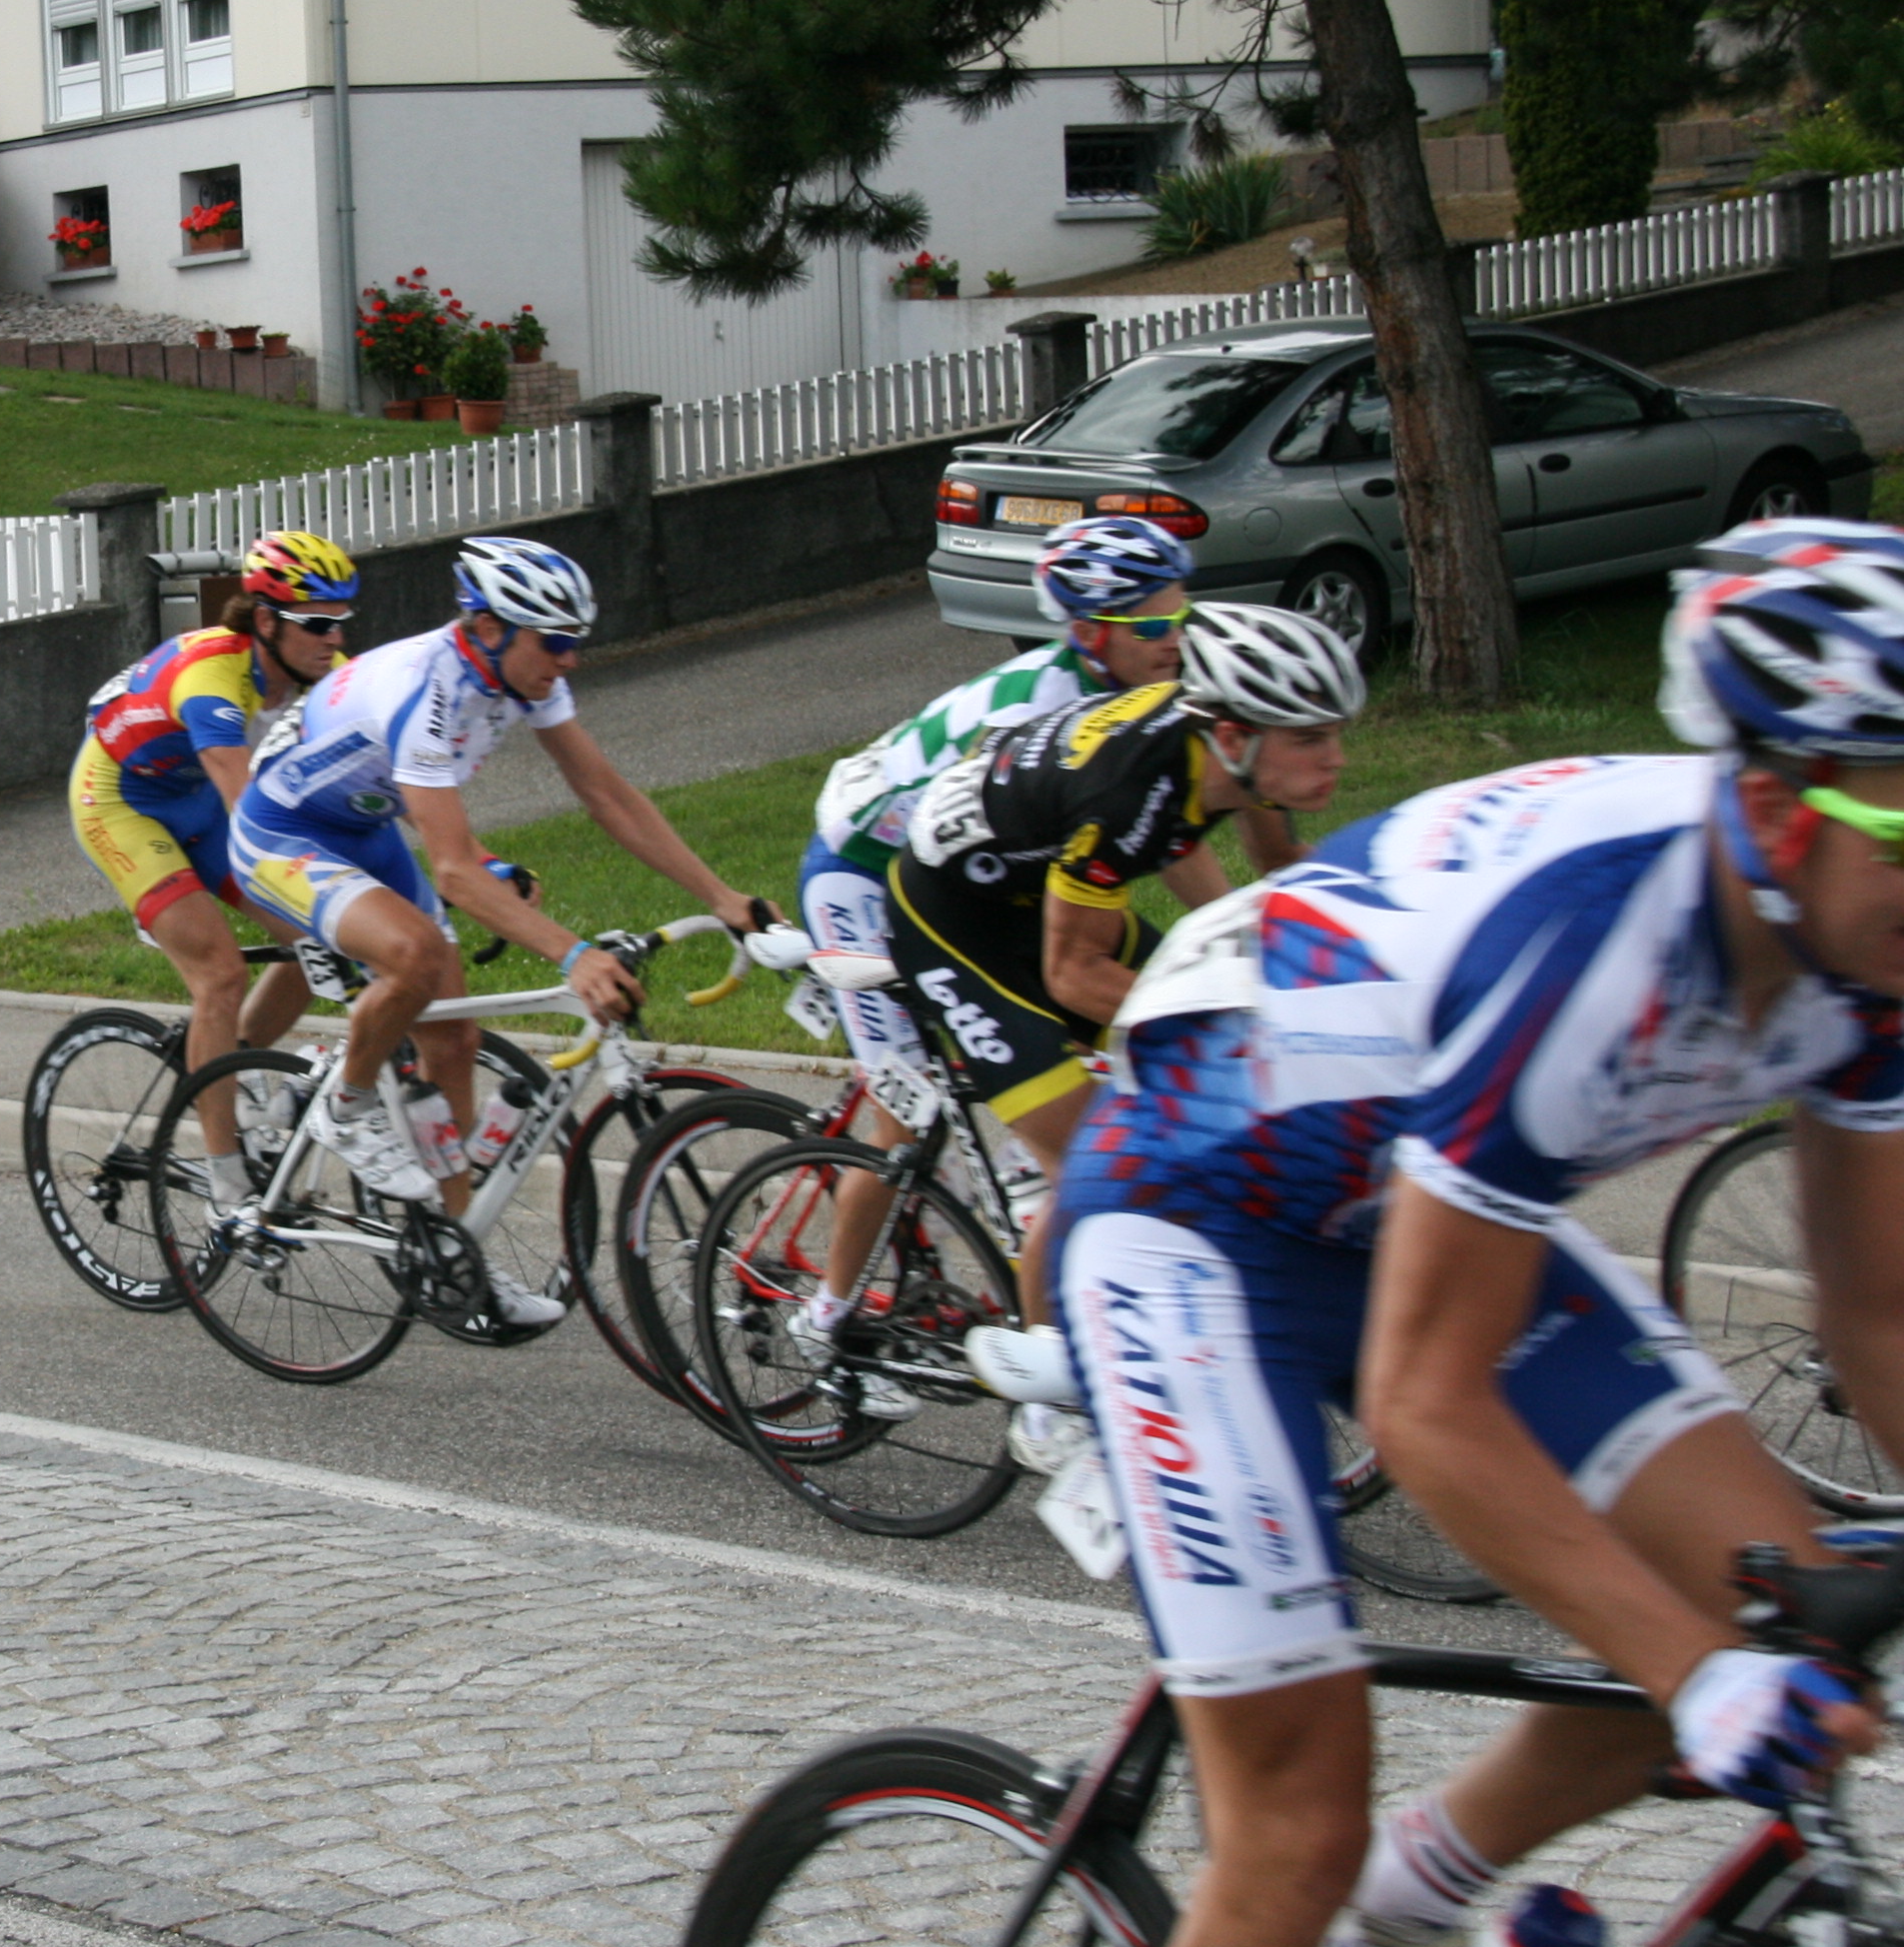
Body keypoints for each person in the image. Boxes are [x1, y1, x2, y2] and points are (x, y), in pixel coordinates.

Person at [1056, 527, 1904, 1947]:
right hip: (1185, 1220)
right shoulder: (1606, 938)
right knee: (1289, 1826)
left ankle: (1415, 1899)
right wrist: (1686, 1675)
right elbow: (1421, 1404)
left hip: (1400, 1203)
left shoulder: (1863, 953)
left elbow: (1872, 1315)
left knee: (1771, 1592)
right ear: (1785, 806)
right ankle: (1327, 1922)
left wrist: (1724, 1649)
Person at [231, 535, 780, 1316]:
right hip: (282, 832)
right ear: (489, 628)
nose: (570, 661)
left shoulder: (523, 676)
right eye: (555, 644)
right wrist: (574, 954)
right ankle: (345, 1109)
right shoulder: (425, 691)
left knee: (450, 1043)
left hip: (366, 828)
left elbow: (607, 794)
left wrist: (721, 895)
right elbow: (451, 868)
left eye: (575, 643)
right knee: (415, 957)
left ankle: (454, 1261)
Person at [880, 600, 1352, 1426]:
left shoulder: (1232, 745)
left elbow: (1279, 871)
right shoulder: (1132, 791)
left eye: (1335, 731)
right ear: (1236, 737)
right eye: (1310, 739)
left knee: (1220, 1043)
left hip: (1042, 887)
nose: (1335, 757)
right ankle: (1047, 1396)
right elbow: (1072, 976)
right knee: (1093, 1148)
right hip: (953, 923)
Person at [798, 515, 1199, 1344]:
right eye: (1156, 625)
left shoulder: (1133, 702)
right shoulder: (1044, 708)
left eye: (1182, 617)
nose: (1176, 640)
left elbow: (1167, 836)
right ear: (1091, 633)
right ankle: (826, 1317)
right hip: (863, 878)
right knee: (903, 1119)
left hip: (960, 877)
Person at [71, 530, 359, 1196]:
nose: (333, 639)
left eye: (342, 623)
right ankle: (228, 1180)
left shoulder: (324, 668)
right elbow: (250, 813)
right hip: (120, 802)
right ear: (265, 621)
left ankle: (241, 1063)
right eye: (318, 623)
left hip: (192, 799)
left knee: (321, 936)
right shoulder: (213, 679)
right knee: (221, 975)